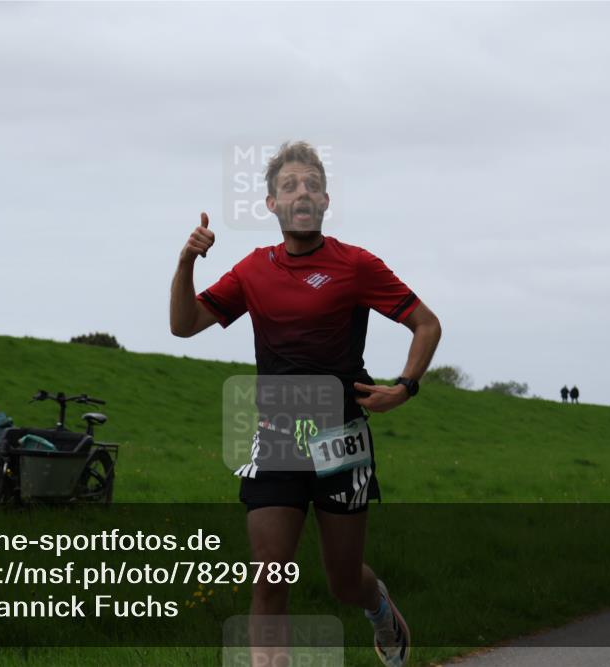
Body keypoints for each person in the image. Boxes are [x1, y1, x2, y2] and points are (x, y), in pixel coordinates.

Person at [170, 141, 441, 667]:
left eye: (312, 185)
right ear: (271, 203)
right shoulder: (252, 270)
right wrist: (186, 263)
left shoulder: (356, 265)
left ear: (325, 201)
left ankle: (380, 609)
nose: (302, 193)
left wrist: (404, 386)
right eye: (291, 186)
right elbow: (184, 325)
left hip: (340, 437)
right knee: (269, 578)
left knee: (343, 581)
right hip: (274, 436)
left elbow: (426, 324)